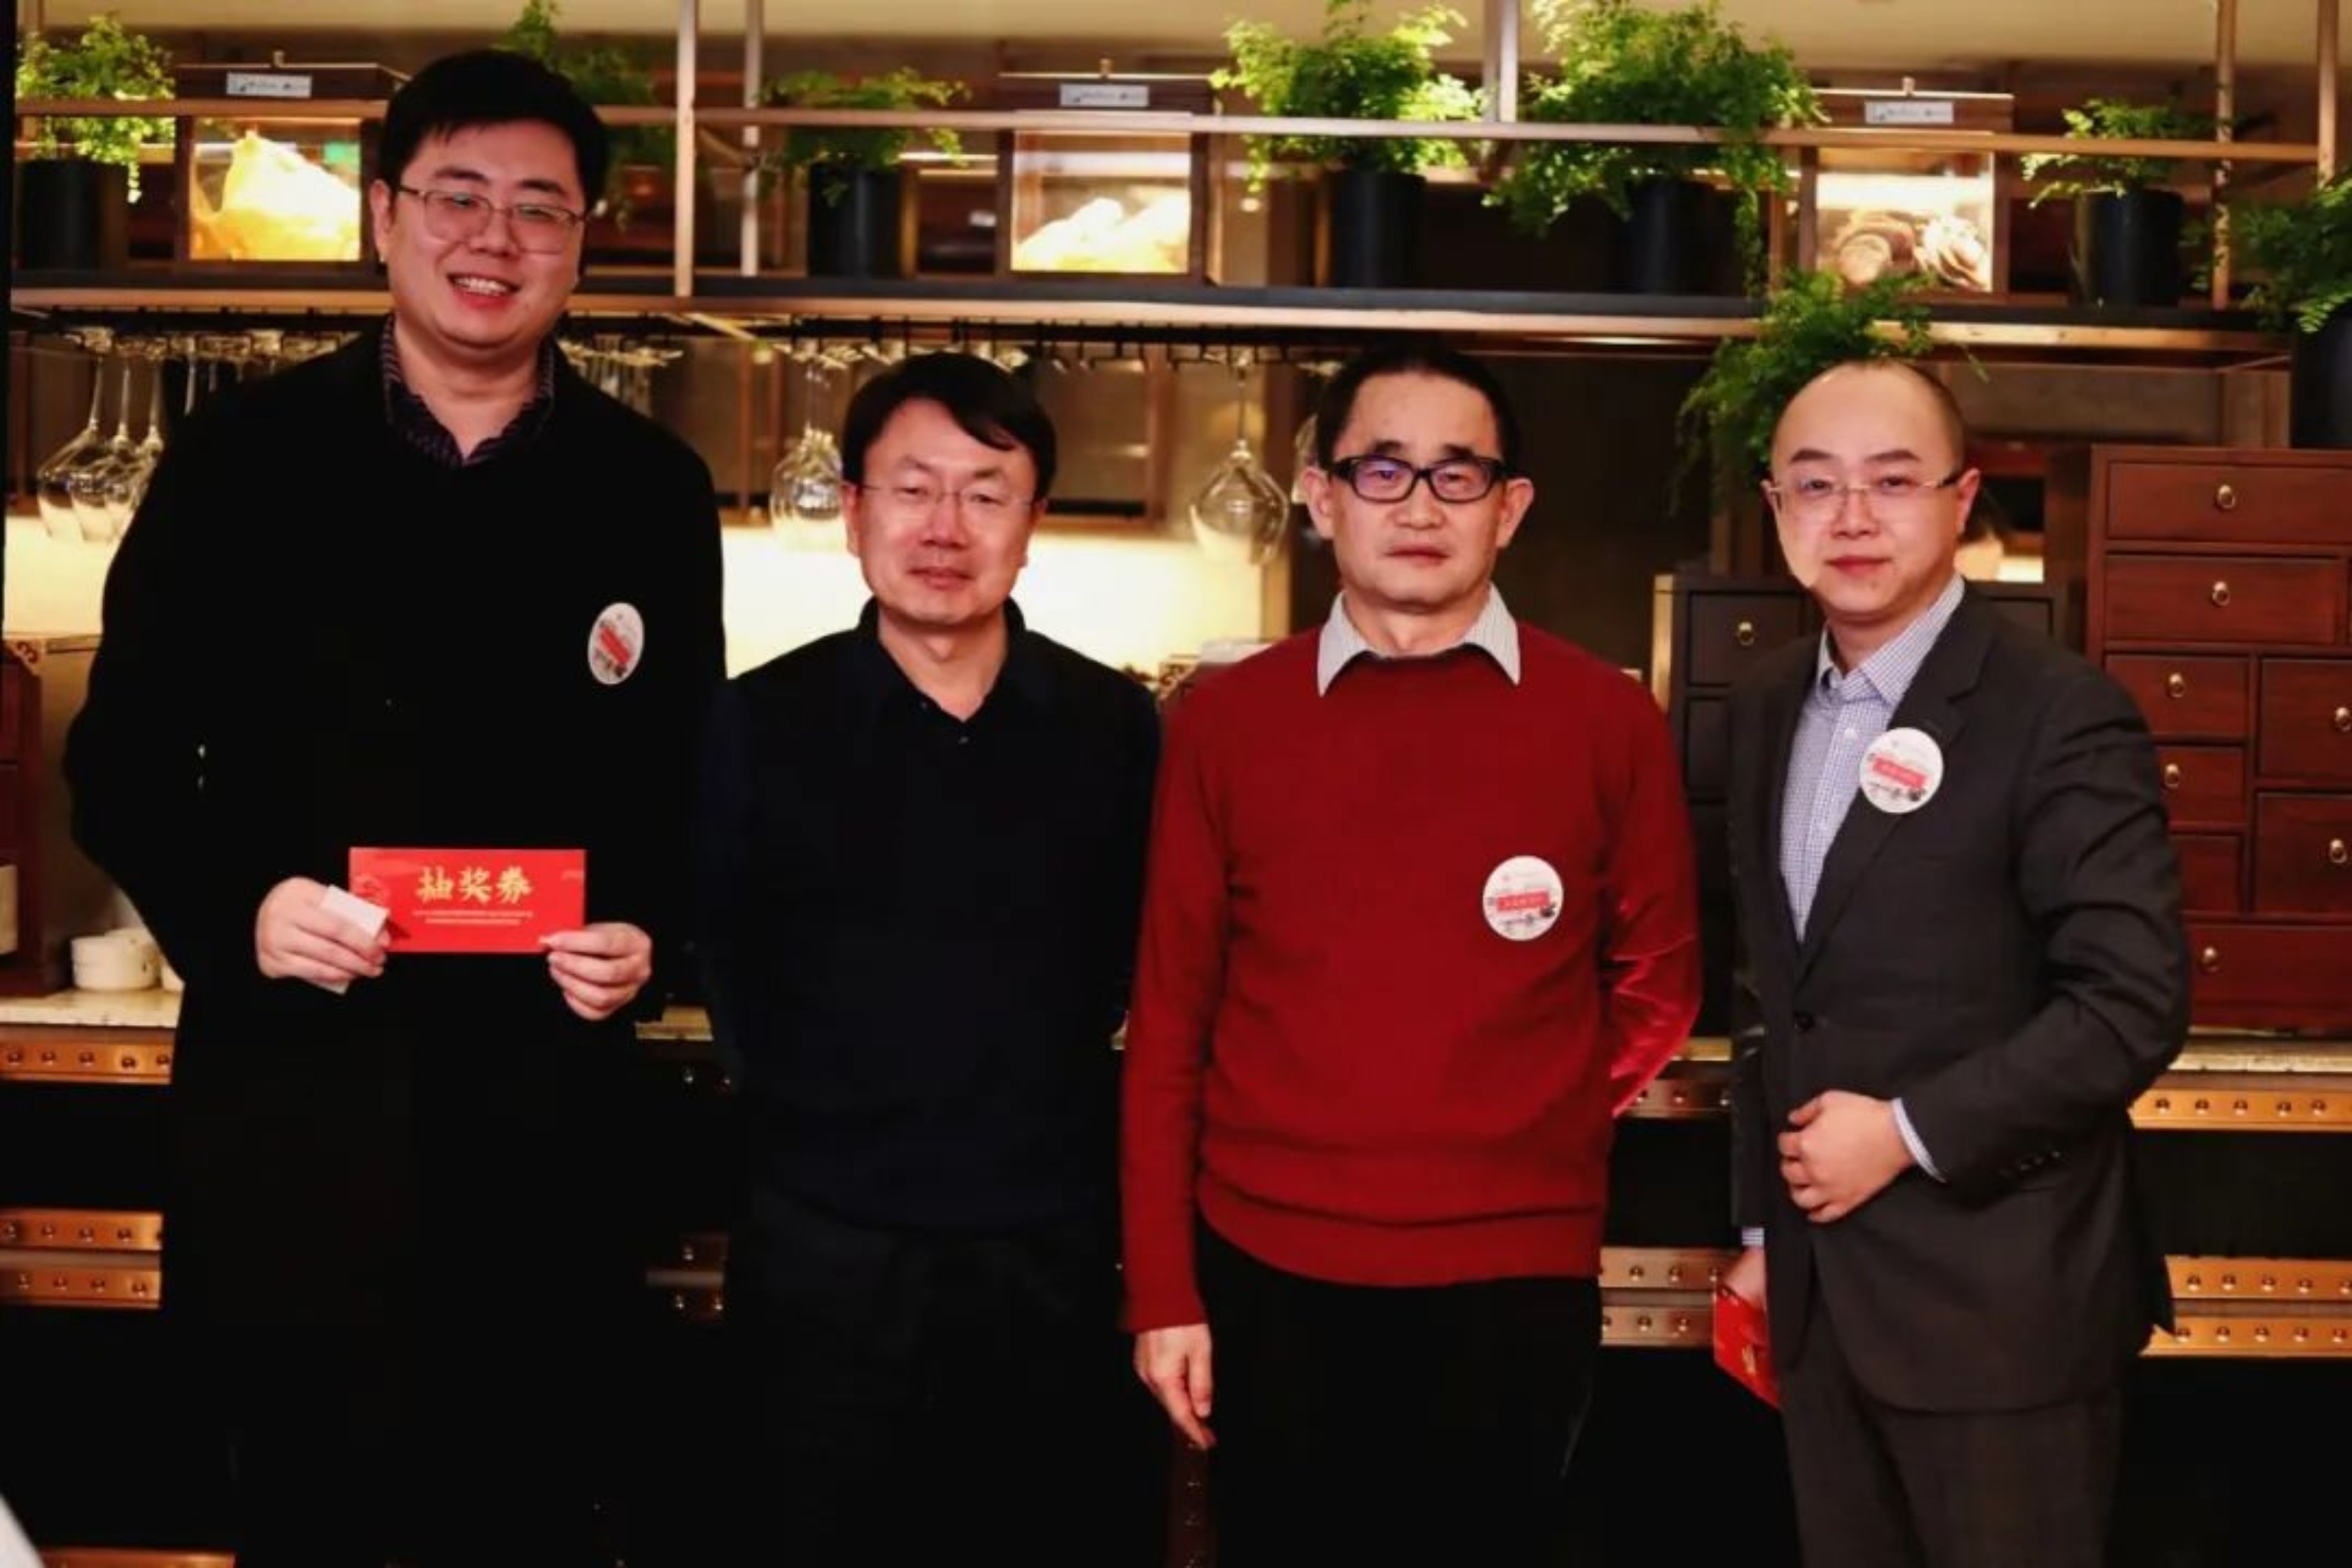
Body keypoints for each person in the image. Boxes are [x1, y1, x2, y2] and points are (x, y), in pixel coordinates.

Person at [63, 49, 725, 1567]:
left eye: (540, 208)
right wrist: (241, 907)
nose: (496, 239)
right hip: (300, 1111)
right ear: (384, 216)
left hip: (548, 1129)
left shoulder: (647, 486)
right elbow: (122, 758)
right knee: (309, 1514)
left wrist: (648, 929)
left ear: (583, 241)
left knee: (539, 1514)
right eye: (458, 197)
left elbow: (687, 778)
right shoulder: (242, 458)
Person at [1121, 341, 1702, 1566]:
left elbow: (1660, 981)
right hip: (1268, 1267)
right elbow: (1172, 1020)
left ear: (1511, 506)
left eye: (1458, 474)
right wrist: (1164, 1289)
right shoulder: (1227, 720)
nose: (1421, 506)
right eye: (1382, 471)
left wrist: (1524, 1109)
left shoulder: (1607, 719)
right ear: (1321, 497)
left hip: (1516, 1273)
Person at [695, 351, 1164, 1564]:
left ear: (1032, 521)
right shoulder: (756, 723)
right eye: (912, 489)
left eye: (985, 492)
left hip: (1052, 1255)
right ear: (855, 510)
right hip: (825, 1254)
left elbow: (1145, 965)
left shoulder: (1115, 727)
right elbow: (723, 955)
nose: (945, 527)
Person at [1720, 358, 2188, 1567]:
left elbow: (2130, 1002)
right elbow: (1775, 989)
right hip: (1821, 1300)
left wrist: (1905, 1131)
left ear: (1962, 497)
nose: (1852, 517)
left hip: (2003, 1305)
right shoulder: (1766, 705)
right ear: (1775, 507)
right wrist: (1766, 1232)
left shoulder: (2057, 711)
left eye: (1892, 481)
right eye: (1815, 485)